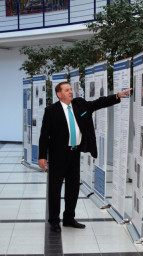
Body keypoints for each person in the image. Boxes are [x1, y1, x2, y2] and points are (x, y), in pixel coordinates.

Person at [39, 82, 132, 232]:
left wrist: (116, 96)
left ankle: (69, 218)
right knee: (55, 190)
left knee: (73, 188)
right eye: (67, 90)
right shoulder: (51, 111)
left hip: (74, 154)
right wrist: (42, 156)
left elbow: (98, 103)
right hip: (57, 155)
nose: (70, 92)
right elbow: (44, 135)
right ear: (59, 94)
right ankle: (54, 221)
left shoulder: (79, 104)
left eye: (71, 89)